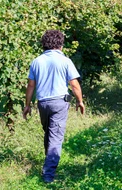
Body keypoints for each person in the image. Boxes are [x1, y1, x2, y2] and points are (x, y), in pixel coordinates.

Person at [23, 30, 85, 184]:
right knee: (55, 137)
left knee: (49, 133)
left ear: (44, 44)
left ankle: (48, 160)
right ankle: (48, 175)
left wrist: (27, 105)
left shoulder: (36, 61)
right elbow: (74, 84)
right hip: (59, 103)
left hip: (42, 103)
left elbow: (31, 86)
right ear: (61, 44)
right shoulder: (65, 61)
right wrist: (80, 101)